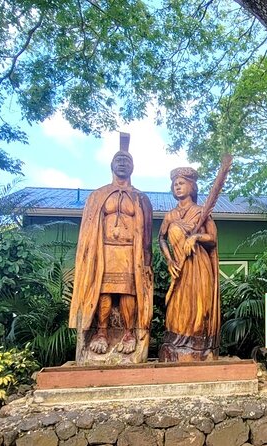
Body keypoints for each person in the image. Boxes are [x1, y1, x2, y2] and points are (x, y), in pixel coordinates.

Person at [68, 134, 153, 364]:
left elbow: (147, 234)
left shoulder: (141, 197)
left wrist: (147, 261)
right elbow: (87, 228)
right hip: (104, 252)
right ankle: (102, 332)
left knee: (128, 293)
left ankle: (128, 333)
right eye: (118, 159)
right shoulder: (98, 196)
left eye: (127, 159)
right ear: (112, 165)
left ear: (133, 167)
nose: (122, 162)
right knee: (103, 292)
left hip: (129, 253)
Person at [158, 167, 220, 362]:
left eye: (181, 183)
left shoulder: (201, 212)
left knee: (199, 305)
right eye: (175, 184)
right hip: (180, 267)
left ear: (191, 186)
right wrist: (169, 261)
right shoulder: (170, 216)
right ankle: (175, 343)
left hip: (199, 266)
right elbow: (161, 239)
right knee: (177, 306)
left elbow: (213, 239)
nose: (177, 186)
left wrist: (196, 237)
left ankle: (199, 345)